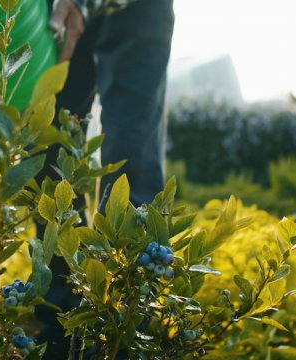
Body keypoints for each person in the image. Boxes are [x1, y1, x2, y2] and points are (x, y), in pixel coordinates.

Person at [35, 0, 175, 358]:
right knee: (52, 141)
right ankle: (59, 327)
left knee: (132, 155)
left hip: (136, 8)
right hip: (58, 9)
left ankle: (126, 330)